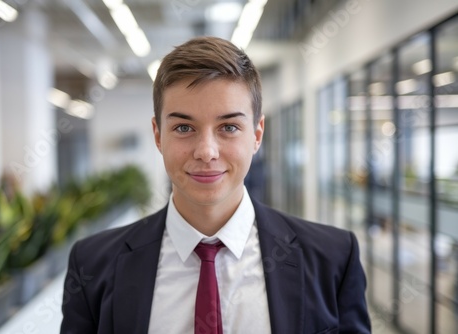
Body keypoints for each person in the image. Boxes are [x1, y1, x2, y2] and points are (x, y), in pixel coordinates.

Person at [60, 36, 371, 333]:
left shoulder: (332, 258)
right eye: (183, 127)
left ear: (257, 134)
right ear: (158, 135)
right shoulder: (93, 265)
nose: (206, 152)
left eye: (229, 127)